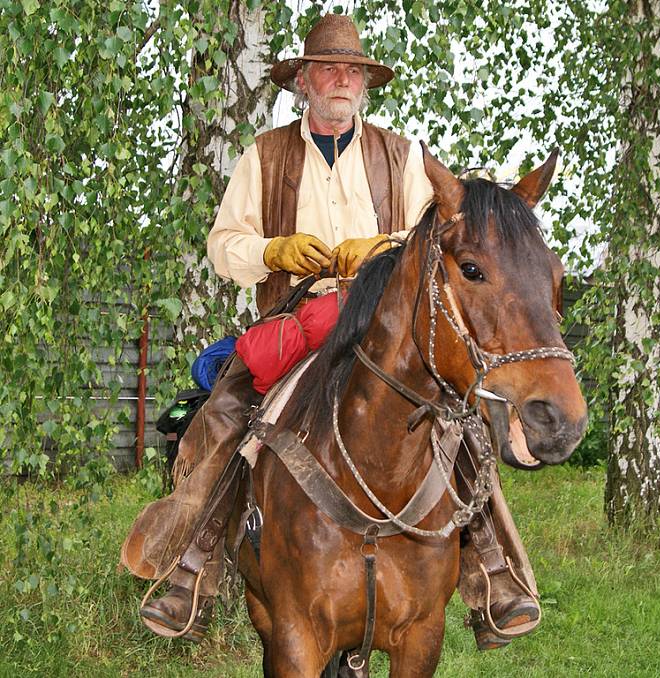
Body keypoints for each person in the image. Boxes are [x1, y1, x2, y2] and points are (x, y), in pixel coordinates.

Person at [120, 13, 540, 652]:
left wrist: (386, 249)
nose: (341, 81)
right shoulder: (265, 155)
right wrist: (275, 252)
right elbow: (222, 246)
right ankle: (192, 567)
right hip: (295, 320)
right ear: (304, 82)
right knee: (226, 413)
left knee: (461, 413)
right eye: (328, 70)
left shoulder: (402, 156)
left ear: (364, 83)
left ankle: (491, 570)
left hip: (385, 323)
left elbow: (438, 242)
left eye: (352, 71)